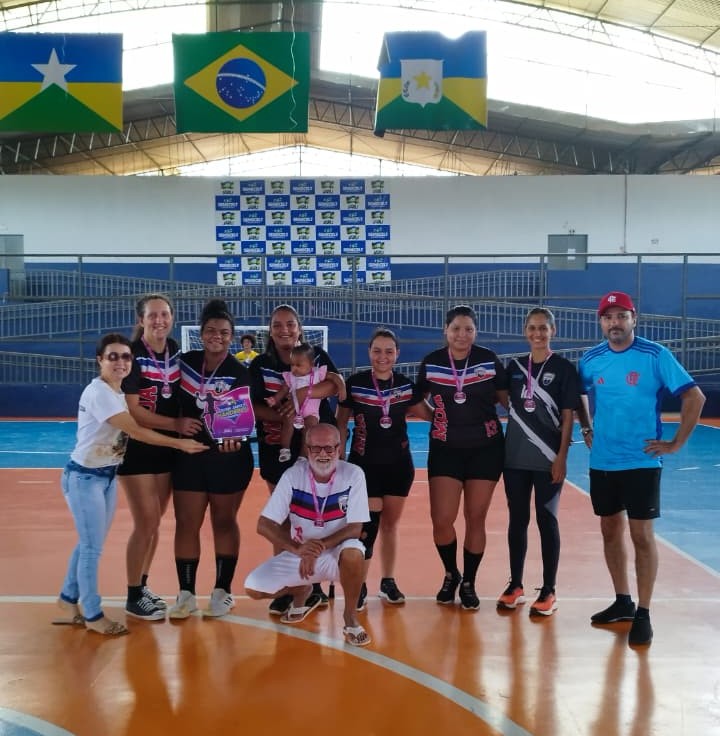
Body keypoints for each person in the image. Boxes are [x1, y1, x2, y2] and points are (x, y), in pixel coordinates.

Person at [56, 333, 207, 636]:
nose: (120, 362)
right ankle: (93, 614)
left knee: (88, 542)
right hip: (85, 477)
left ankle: (67, 599)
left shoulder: (116, 393)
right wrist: (180, 443)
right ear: (99, 360)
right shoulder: (99, 393)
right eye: (112, 357)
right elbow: (136, 431)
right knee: (92, 548)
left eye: (126, 357)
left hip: (106, 476)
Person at [579, 291, 705, 646]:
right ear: (601, 322)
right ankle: (623, 602)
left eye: (622, 316)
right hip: (603, 460)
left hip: (641, 461)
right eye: (608, 317)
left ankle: (644, 612)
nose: (615, 323)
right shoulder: (591, 359)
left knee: (641, 536)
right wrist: (586, 426)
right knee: (609, 530)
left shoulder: (655, 355)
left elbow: (694, 396)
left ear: (634, 319)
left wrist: (675, 443)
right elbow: (579, 393)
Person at [249, 304, 343, 615]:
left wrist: (303, 396)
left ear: (299, 328)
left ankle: (313, 586)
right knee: (284, 520)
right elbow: (252, 405)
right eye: (277, 324)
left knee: (316, 517)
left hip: (316, 448)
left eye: (290, 324)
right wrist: (283, 414)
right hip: (277, 448)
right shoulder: (261, 364)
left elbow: (334, 384)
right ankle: (289, 584)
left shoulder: (316, 355)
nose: (284, 329)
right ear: (270, 330)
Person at [244, 424, 371, 646]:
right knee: (254, 588)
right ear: (307, 448)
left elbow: (355, 528)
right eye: (316, 448)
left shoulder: (353, 474)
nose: (323, 454)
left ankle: (350, 617)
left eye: (329, 448)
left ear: (339, 448)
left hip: (336, 552)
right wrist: (298, 549)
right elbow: (264, 525)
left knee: (354, 553)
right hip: (301, 553)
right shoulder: (292, 476)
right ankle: (303, 589)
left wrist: (318, 547)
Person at [168, 299, 255, 620]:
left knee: (224, 521)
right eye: (210, 330)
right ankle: (186, 594)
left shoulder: (239, 372)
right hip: (189, 455)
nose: (217, 336)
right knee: (186, 522)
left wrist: (236, 436)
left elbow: (242, 419)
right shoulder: (184, 364)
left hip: (228, 459)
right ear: (201, 333)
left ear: (232, 336)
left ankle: (222, 591)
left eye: (224, 332)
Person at [118, 294, 204, 621]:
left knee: (155, 522)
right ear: (140, 320)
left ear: (172, 318)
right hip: (137, 446)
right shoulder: (131, 356)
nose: (159, 320)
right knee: (146, 522)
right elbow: (133, 411)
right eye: (152, 315)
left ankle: (141, 585)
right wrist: (175, 425)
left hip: (167, 448)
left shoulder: (176, 353)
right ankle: (132, 595)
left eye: (164, 314)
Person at [417, 305, 509, 610]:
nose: (462, 335)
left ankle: (469, 581)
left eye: (468, 329)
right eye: (456, 328)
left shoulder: (488, 360)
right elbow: (416, 400)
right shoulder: (432, 363)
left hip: (486, 449)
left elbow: (507, 401)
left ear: (475, 332)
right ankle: (451, 573)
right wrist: (436, 418)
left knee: (475, 517)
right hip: (445, 449)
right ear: (445, 330)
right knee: (442, 519)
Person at [336, 327, 431, 610]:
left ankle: (388, 581)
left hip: (400, 466)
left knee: (390, 526)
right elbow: (341, 422)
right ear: (369, 352)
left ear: (397, 354)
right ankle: (360, 584)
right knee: (369, 527)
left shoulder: (405, 386)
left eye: (389, 351)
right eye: (377, 350)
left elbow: (431, 415)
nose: (382, 356)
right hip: (364, 467)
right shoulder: (355, 384)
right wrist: (338, 454)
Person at [496, 307, 581, 616]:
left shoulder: (564, 368)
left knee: (547, 520)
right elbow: (504, 398)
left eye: (543, 328)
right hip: (515, 459)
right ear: (525, 331)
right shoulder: (515, 367)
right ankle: (515, 585)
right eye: (532, 327)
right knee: (517, 520)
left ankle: (549, 590)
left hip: (548, 459)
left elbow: (568, 415)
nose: (538, 333)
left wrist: (562, 457)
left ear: (552, 331)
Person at [267, 342, 346, 463]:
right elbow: (284, 390)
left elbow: (335, 377)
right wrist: (275, 399)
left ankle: (303, 456)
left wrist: (342, 387)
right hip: (295, 410)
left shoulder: (317, 373)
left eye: (299, 365)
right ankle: (285, 449)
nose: (294, 368)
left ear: (311, 364)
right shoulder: (290, 376)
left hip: (311, 412)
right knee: (287, 421)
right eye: (292, 364)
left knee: (309, 430)